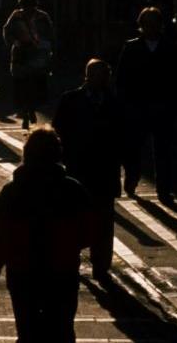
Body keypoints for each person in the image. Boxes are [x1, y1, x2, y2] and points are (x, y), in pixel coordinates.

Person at [0, 128, 93, 343]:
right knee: (61, 330)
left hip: (23, 273)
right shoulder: (72, 191)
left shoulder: (12, 193)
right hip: (62, 272)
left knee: (28, 331)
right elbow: (89, 232)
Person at [52, 59, 122, 280]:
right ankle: (72, 258)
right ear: (87, 76)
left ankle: (101, 265)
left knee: (103, 222)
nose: (102, 80)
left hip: (105, 172)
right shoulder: (71, 100)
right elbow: (58, 132)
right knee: (74, 219)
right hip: (78, 171)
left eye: (105, 76)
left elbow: (125, 137)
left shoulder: (114, 102)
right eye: (97, 75)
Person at [115, 6, 177, 202]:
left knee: (162, 150)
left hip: (163, 106)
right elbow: (122, 78)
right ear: (141, 26)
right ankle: (132, 178)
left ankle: (163, 189)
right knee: (134, 148)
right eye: (146, 24)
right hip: (138, 106)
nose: (150, 28)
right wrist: (125, 104)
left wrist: (176, 102)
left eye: (154, 24)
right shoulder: (131, 47)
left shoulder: (170, 47)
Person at [3, 0, 55, 130]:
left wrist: (46, 45)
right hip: (22, 52)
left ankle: (31, 108)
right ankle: (26, 110)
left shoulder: (42, 16)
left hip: (38, 52)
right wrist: (14, 42)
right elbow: (7, 31)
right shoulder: (17, 16)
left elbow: (50, 33)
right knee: (21, 82)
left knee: (36, 81)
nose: (28, 9)